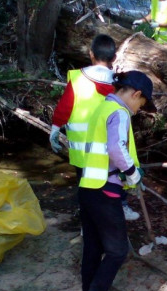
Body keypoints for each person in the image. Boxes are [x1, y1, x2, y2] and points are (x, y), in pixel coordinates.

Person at [77, 71, 154, 291]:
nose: (138, 110)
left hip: (88, 186)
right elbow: (116, 148)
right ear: (136, 94)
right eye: (141, 105)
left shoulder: (102, 107)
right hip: (104, 190)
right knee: (118, 250)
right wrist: (133, 175)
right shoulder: (120, 113)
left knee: (93, 247)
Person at [49, 34, 140, 221]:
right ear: (114, 58)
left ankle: (87, 221)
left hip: (83, 151)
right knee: (115, 179)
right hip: (109, 149)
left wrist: (55, 129)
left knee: (85, 185)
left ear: (91, 54)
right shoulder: (118, 84)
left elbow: (64, 108)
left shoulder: (77, 79)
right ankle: (120, 206)